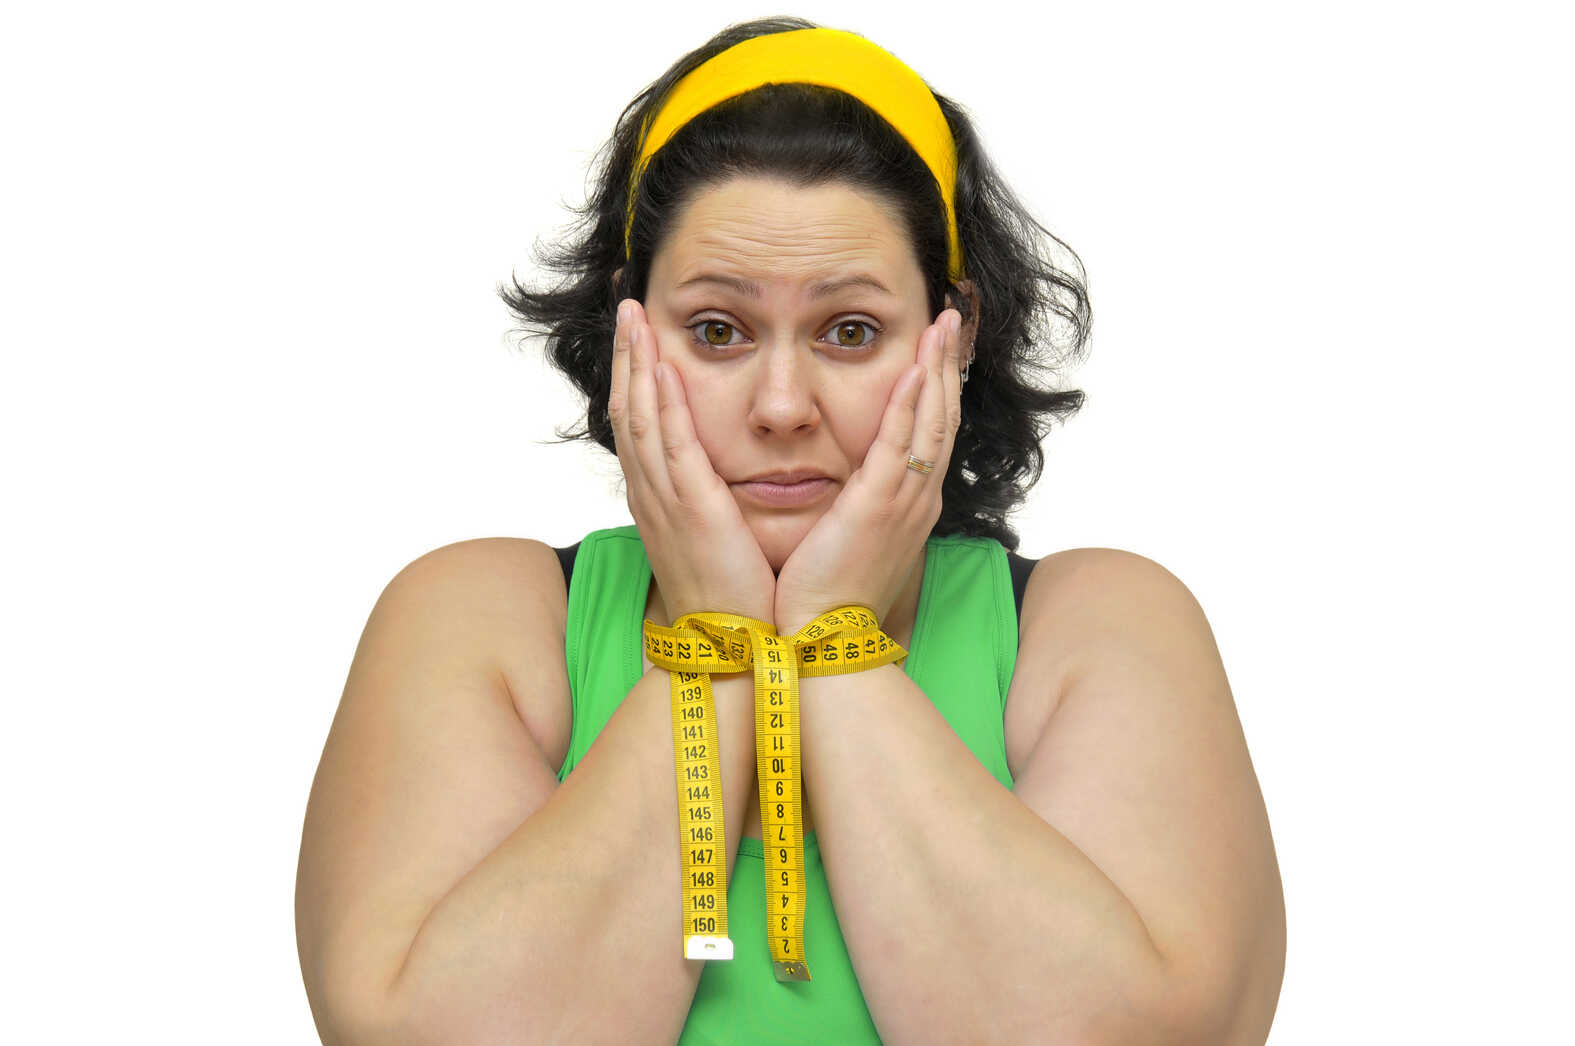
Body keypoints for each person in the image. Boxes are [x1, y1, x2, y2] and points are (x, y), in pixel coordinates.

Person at [295, 16, 1285, 1046]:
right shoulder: (479, 615)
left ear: (954, 338)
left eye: (849, 331)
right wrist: (720, 637)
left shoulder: (1101, 624)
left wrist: (829, 635)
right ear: (628, 328)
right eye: (716, 330)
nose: (780, 406)